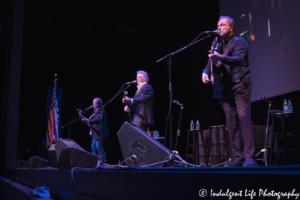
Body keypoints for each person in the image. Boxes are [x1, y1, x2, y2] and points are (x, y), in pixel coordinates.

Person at [202, 16, 256, 167]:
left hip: (241, 84)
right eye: (218, 25)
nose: (219, 28)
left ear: (231, 28)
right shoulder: (217, 45)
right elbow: (209, 63)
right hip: (226, 89)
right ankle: (238, 158)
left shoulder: (240, 42)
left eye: (223, 25)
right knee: (231, 124)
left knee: (244, 116)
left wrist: (221, 57)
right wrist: (205, 72)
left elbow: (238, 59)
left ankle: (250, 157)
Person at [82, 97, 109, 162]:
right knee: (93, 147)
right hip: (95, 132)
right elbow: (94, 122)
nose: (92, 104)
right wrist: (87, 121)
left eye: (94, 103)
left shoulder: (101, 110)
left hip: (100, 132)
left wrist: (89, 120)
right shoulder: (96, 111)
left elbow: (98, 120)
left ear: (98, 104)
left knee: (99, 147)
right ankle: (94, 161)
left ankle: (103, 161)